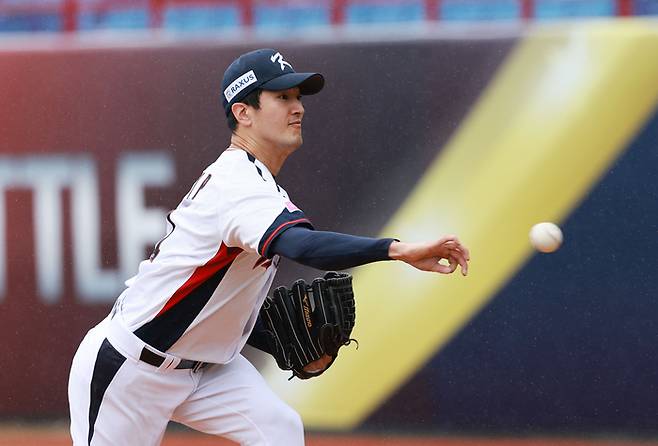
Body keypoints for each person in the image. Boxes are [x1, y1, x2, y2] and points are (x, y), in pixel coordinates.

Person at [67, 48, 470, 446]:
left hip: (206, 370)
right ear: (243, 113)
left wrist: (279, 344)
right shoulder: (237, 185)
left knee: (280, 431)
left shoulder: (259, 186)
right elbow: (302, 245)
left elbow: (218, 301)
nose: (298, 108)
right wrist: (395, 250)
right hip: (130, 370)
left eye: (298, 97)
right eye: (282, 98)